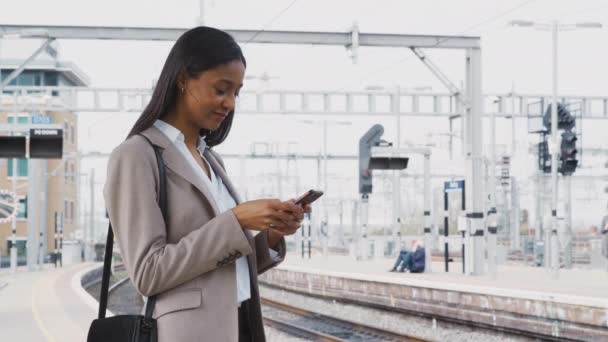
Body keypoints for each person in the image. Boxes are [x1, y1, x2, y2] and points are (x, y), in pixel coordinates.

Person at [104, 27, 312, 342]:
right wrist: (238, 219)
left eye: (236, 93)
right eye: (221, 89)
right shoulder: (137, 155)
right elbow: (148, 273)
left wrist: (271, 235)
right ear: (183, 79)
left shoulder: (211, 160)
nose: (229, 103)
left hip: (240, 325)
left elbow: (220, 266)